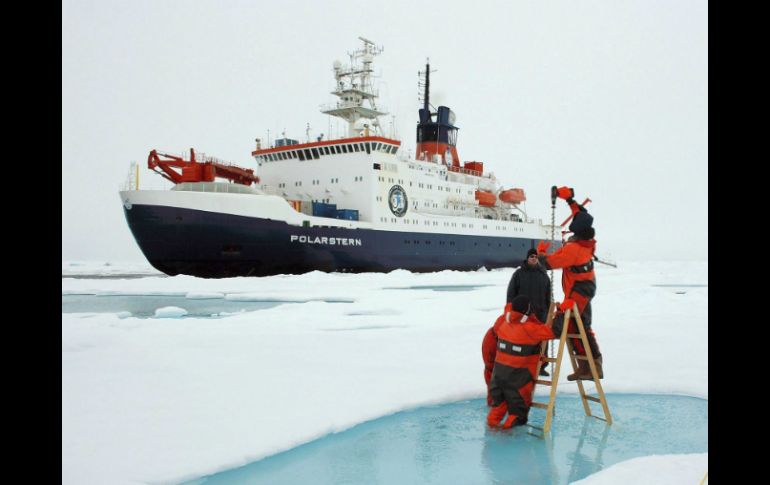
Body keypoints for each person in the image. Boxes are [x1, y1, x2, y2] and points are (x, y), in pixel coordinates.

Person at [537, 186, 602, 381]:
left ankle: (590, 367)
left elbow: (548, 263)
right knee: (581, 327)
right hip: (584, 288)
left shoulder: (574, 249)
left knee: (562, 326)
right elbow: (582, 214)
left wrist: (540, 253)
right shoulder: (588, 241)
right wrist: (570, 200)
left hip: (579, 292)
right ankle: (588, 366)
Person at [486, 295, 564, 429]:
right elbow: (555, 332)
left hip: (497, 379)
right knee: (518, 415)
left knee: (497, 409)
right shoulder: (530, 329)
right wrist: (561, 313)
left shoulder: (503, 323)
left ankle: (493, 434)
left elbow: (506, 317)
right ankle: (509, 442)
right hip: (518, 380)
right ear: (527, 311)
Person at [506, 247, 552, 376]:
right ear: (527, 258)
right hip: (523, 314)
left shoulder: (543, 274)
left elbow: (548, 295)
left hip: (540, 313)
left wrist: (549, 312)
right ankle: (522, 366)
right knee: (523, 341)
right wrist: (511, 311)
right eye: (531, 256)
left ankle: (541, 366)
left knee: (541, 340)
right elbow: (511, 294)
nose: (534, 258)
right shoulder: (519, 274)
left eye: (535, 257)